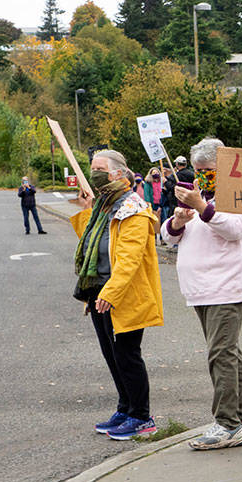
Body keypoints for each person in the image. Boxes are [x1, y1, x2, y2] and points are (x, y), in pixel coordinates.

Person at [161, 137, 242, 450]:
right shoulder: (197, 196)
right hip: (200, 288)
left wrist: (202, 207)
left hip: (225, 286)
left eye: (208, 169)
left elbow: (235, 229)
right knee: (228, 352)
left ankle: (227, 424)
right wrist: (177, 221)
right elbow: (168, 238)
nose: (201, 175)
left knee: (220, 354)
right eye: (197, 169)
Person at [72, 149, 164, 441]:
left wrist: (110, 292)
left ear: (119, 174)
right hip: (99, 290)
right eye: (92, 167)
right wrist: (87, 209)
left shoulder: (132, 208)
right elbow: (95, 243)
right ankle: (125, 408)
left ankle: (141, 416)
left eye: (100, 168)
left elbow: (128, 259)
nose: (94, 172)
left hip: (123, 294)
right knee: (112, 355)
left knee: (127, 355)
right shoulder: (103, 206)